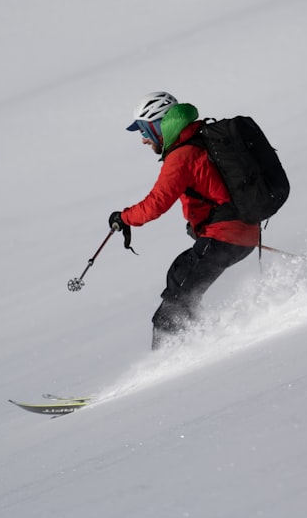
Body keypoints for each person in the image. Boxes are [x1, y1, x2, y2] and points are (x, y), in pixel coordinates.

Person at [109, 92, 260, 349]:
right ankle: (200, 340)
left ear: (158, 125)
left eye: (144, 130)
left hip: (226, 235)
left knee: (173, 307)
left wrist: (124, 218)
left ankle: (167, 364)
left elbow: (156, 204)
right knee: (179, 274)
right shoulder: (200, 138)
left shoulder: (181, 156)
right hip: (240, 232)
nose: (144, 139)